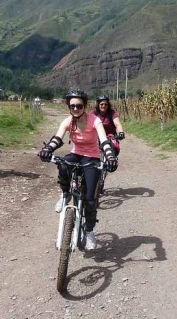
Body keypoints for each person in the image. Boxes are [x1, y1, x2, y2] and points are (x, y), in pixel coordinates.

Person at [39, 90, 118, 250]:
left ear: (85, 106)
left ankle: (89, 232)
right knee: (63, 163)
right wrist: (48, 149)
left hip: (92, 158)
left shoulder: (94, 120)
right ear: (69, 106)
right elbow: (57, 138)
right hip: (76, 154)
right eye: (72, 106)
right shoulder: (68, 121)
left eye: (79, 106)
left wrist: (110, 157)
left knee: (89, 200)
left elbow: (103, 141)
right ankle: (65, 193)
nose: (75, 109)